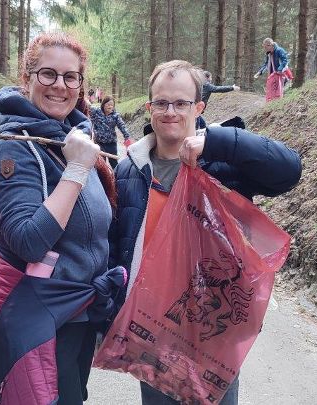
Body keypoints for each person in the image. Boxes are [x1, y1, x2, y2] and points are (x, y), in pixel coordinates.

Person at [109, 60, 302, 405]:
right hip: (152, 332)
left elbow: (288, 170)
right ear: (149, 107)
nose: (170, 112)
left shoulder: (224, 164)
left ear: (199, 107)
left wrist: (217, 142)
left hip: (213, 331)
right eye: (162, 103)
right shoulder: (129, 169)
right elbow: (118, 246)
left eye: (181, 103)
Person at [0, 32, 123, 405]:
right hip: (37, 316)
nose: (60, 86)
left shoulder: (70, 138)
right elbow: (29, 241)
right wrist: (77, 170)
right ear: (28, 77)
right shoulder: (13, 149)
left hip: (75, 316)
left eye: (71, 77)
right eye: (48, 74)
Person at [91, 95, 132, 168]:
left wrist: (127, 137)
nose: (110, 107)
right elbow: (86, 108)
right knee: (100, 165)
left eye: (112, 105)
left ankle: (116, 178)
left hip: (111, 144)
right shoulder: (96, 112)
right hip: (99, 143)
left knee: (114, 164)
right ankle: (102, 179)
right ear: (103, 104)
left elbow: (122, 126)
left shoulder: (115, 116)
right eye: (108, 104)